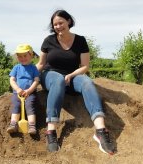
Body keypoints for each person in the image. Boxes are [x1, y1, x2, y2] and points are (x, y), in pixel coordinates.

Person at [36, 9, 115, 154]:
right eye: (55, 24)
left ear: (69, 22)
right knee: (58, 80)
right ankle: (51, 131)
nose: (58, 26)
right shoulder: (49, 40)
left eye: (61, 23)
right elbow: (41, 64)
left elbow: (85, 66)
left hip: (71, 76)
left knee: (87, 82)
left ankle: (100, 130)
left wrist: (72, 75)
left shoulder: (80, 40)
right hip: (50, 75)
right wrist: (29, 79)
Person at [7, 44, 39, 135]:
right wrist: (17, 89)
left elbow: (36, 81)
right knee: (16, 105)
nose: (22, 58)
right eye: (20, 56)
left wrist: (29, 91)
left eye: (25, 55)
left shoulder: (33, 68)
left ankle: (32, 125)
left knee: (29, 105)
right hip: (17, 93)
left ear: (31, 55)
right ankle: (13, 124)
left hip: (30, 93)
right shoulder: (16, 67)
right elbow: (12, 80)